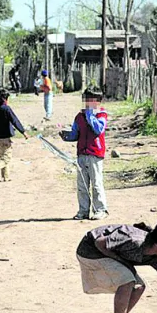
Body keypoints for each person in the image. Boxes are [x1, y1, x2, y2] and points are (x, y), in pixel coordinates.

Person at [59, 88, 108, 220]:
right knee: (82, 185)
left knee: (96, 183)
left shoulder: (101, 115)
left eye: (92, 100)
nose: (89, 103)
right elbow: (76, 134)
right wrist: (67, 136)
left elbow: (98, 129)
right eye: (87, 100)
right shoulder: (79, 117)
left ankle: (101, 210)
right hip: (81, 154)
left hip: (95, 154)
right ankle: (83, 211)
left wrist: (90, 115)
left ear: (98, 101)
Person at [0, 89, 30, 182]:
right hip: (6, 138)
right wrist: (23, 132)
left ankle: (6, 177)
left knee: (3, 156)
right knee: (7, 158)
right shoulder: (6, 109)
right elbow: (15, 121)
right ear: (4, 99)